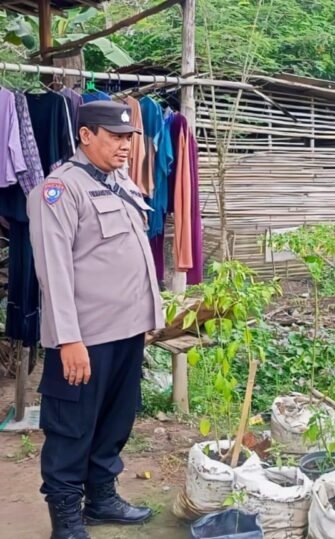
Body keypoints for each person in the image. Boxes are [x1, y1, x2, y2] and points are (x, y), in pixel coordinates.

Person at [28, 101, 165, 539]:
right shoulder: (59, 190)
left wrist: (149, 316)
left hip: (126, 332)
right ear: (86, 136)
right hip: (84, 338)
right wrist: (69, 340)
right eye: (115, 137)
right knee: (72, 428)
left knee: (115, 420)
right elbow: (54, 270)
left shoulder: (118, 180)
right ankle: (66, 518)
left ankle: (102, 499)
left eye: (128, 137)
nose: (125, 145)